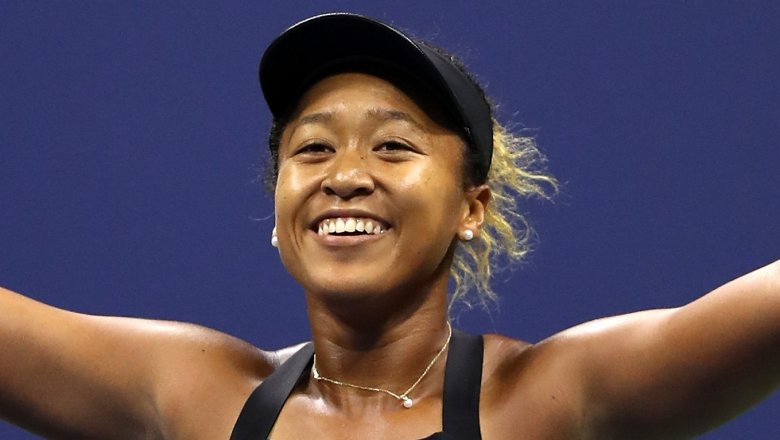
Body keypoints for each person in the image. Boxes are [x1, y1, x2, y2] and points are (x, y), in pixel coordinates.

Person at [1, 12, 778, 439]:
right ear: (280, 212)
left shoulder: (553, 398)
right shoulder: (194, 394)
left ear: (471, 207)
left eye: (393, 146)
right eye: (312, 150)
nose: (345, 175)